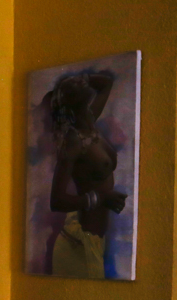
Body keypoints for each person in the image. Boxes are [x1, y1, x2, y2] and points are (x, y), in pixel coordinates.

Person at [46, 71, 126, 278]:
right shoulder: (74, 142)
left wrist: (83, 79)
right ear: (78, 106)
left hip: (95, 241)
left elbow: (106, 83)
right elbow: (56, 201)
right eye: (87, 100)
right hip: (78, 245)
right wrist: (101, 198)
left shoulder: (89, 124)